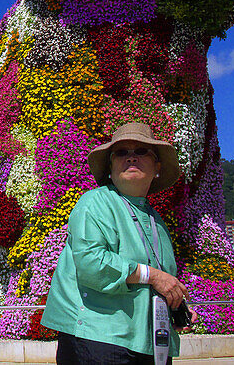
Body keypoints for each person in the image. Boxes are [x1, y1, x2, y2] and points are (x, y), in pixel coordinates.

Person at [42, 122, 195, 364]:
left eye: (141, 151)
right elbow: (92, 262)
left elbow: (161, 278)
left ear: (157, 167)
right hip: (98, 339)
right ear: (110, 168)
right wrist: (154, 276)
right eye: (122, 153)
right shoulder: (94, 202)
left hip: (149, 342)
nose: (131, 158)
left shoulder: (157, 221)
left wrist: (175, 302)